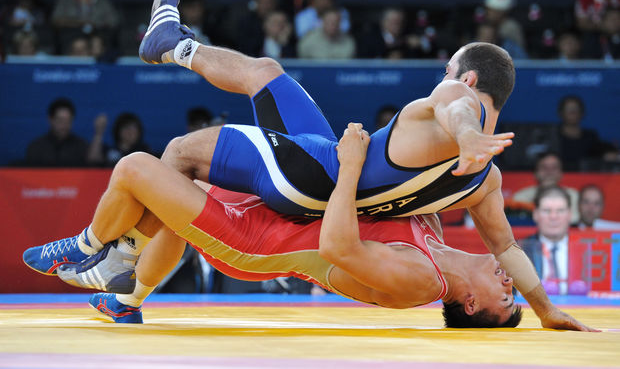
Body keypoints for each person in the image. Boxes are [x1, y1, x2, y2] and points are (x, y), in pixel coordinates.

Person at [133, 0, 589, 330]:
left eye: (448, 69)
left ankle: (124, 268)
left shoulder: (457, 103)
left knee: (179, 157)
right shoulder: (483, 183)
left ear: (466, 79)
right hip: (326, 162)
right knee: (266, 73)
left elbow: (457, 107)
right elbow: (506, 247)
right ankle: (173, 45)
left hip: (313, 185)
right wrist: (545, 309)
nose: (442, 77)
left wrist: (468, 136)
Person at [24, 124, 523, 328]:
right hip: (274, 212)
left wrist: (350, 165)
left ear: (471, 304)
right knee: (173, 174)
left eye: (506, 299)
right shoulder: (432, 234)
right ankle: (125, 299)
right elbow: (434, 182)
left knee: (136, 168)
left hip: (255, 244)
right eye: (515, 291)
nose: (509, 284)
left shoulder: (420, 282)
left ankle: (89, 248)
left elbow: (337, 243)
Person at [518, 186, 572, 295]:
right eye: (547, 211)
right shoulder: (519, 251)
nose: (553, 216)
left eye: (560, 210)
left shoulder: (585, 250)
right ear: (535, 214)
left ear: (570, 215)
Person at [512, 152, 580, 223]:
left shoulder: (574, 196)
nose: (549, 172)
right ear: (535, 173)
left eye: (554, 168)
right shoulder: (520, 198)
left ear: (561, 174)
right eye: (544, 167)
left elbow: (574, 222)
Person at [24, 98, 89, 167]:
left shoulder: (81, 147)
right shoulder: (36, 148)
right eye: (60, 120)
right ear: (50, 120)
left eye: (68, 121)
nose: (64, 125)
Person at [87, 112, 152, 167]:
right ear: (118, 130)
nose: (130, 132)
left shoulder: (144, 153)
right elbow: (93, 160)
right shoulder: (109, 151)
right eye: (126, 128)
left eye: (134, 129)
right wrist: (99, 132)